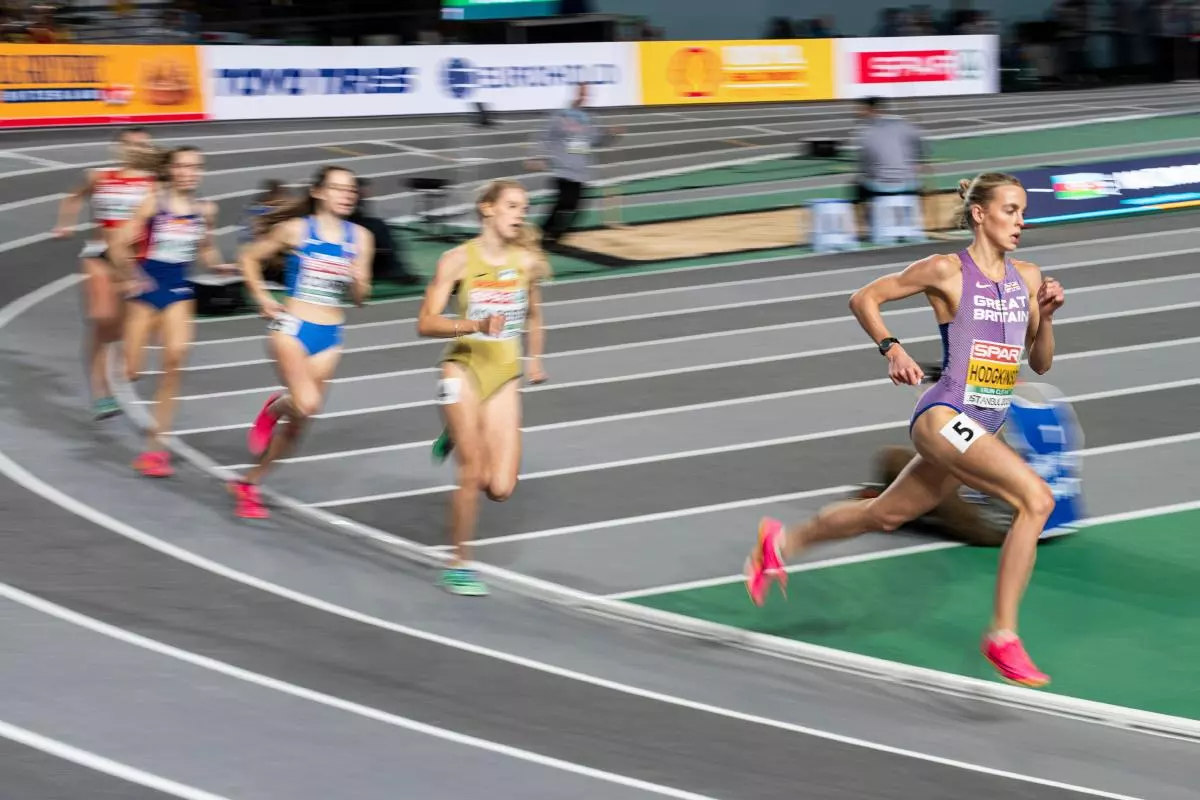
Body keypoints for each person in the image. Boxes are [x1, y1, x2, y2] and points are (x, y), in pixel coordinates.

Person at [744, 172, 1066, 688]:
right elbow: (863, 298)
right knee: (1037, 500)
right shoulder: (946, 270)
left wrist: (1045, 318)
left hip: (982, 425)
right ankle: (1002, 636)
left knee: (884, 515)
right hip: (944, 417)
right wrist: (891, 348)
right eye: (1010, 210)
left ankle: (779, 545)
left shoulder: (1027, 278)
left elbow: (1042, 363)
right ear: (980, 214)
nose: (1020, 222)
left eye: (1023, 212)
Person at [417, 179, 549, 596]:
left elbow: (534, 315)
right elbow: (425, 323)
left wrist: (535, 360)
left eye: (523, 207)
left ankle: (458, 432)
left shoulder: (525, 263)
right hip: (463, 369)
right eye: (512, 205)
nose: (520, 213)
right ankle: (459, 563)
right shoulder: (456, 259)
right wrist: (475, 324)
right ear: (487, 209)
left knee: (501, 488)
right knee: (471, 473)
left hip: (504, 373)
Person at [232, 165, 374, 520]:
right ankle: (274, 408)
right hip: (292, 328)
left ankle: (250, 483)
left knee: (297, 428)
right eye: (339, 189)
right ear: (319, 193)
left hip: (330, 336)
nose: (346, 195)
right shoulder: (295, 230)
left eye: (351, 190)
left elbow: (360, 298)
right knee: (307, 403)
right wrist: (262, 298)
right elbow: (248, 257)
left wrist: (358, 281)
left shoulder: (360, 238)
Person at [111, 146, 229, 477]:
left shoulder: (206, 210)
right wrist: (133, 275)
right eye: (184, 166)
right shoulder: (153, 202)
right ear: (171, 171)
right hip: (146, 290)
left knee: (174, 361)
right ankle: (126, 353)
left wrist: (220, 265)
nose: (191, 172)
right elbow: (119, 245)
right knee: (132, 372)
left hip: (178, 289)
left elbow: (206, 248)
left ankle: (155, 448)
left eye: (197, 166)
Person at [54, 126, 157, 420]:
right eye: (132, 145)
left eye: (145, 145)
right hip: (99, 255)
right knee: (102, 320)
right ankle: (101, 394)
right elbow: (72, 198)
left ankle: (119, 371)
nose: (139, 150)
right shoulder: (98, 177)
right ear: (119, 149)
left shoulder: (154, 184)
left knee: (122, 329)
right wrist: (65, 224)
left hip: (135, 261)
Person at [526, 83, 621, 248]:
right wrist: (537, 156)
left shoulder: (589, 120)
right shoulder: (560, 117)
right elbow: (544, 137)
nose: (583, 97)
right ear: (574, 93)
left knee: (575, 208)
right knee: (564, 203)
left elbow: (597, 140)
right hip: (562, 169)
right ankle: (543, 234)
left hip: (581, 171)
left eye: (586, 94)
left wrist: (611, 135)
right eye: (581, 93)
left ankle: (554, 236)